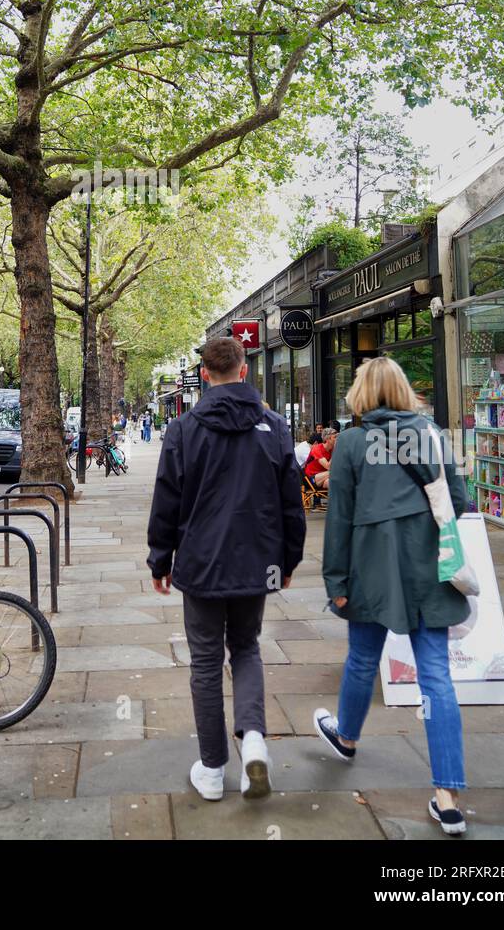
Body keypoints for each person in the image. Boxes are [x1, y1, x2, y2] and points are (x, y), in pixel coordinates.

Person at [314, 356, 471, 836]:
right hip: (430, 568)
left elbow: (338, 517)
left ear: (362, 394)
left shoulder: (353, 443)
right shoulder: (431, 435)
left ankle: (346, 737)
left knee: (363, 658)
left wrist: (335, 582)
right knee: (437, 676)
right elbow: (460, 500)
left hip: (371, 571)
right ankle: (448, 796)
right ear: (403, 390)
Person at [147, 336, 306, 802]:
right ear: (244, 371)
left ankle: (213, 769)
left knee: (205, 661)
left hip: (200, 564)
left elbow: (166, 503)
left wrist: (161, 559)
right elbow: (290, 504)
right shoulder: (275, 428)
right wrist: (289, 559)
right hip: (257, 563)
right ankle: (253, 738)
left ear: (204, 376)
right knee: (246, 648)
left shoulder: (183, 430)